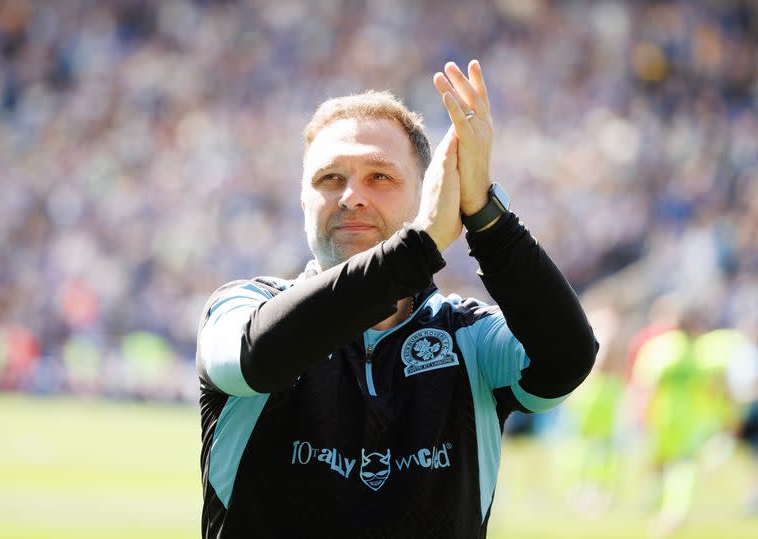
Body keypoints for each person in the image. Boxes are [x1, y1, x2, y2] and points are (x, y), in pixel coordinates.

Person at [196, 59, 598, 538]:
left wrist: (486, 216)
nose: (351, 197)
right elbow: (257, 358)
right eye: (329, 179)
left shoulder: (469, 337)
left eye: (380, 177)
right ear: (302, 200)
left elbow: (565, 363)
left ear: (429, 194)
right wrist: (419, 246)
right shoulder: (243, 307)